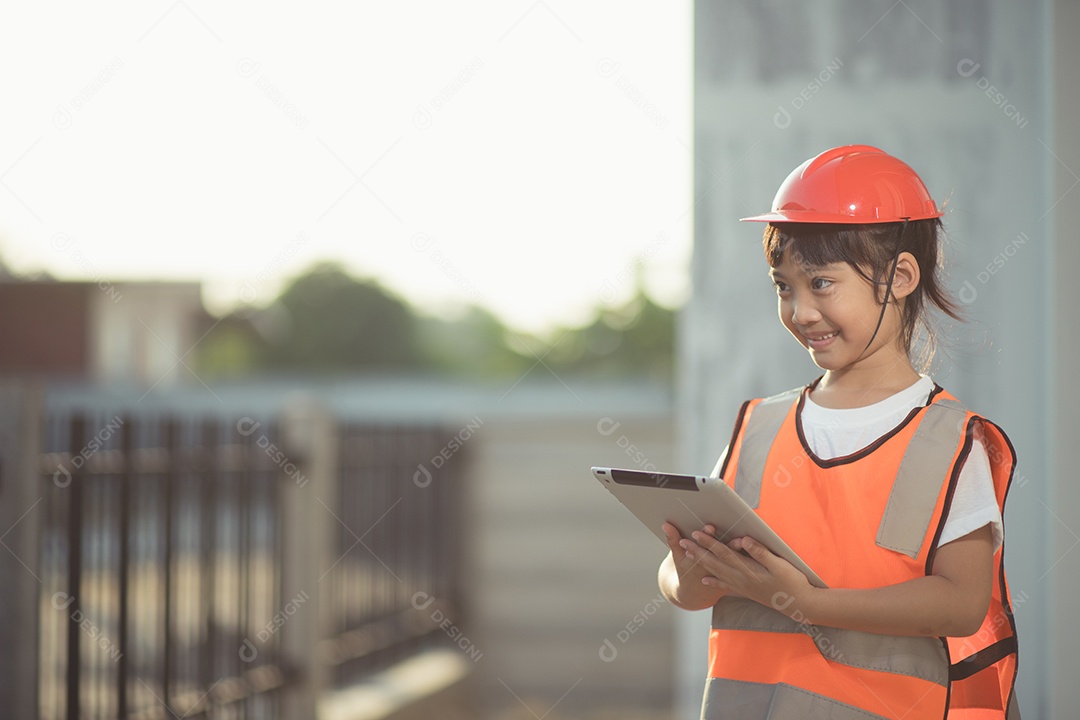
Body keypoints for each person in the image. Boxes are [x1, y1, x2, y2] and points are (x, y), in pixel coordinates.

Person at [658, 145, 1020, 719]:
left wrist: (808, 603)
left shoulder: (950, 441)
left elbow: (960, 603)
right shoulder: (758, 427)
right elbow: (683, 585)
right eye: (784, 287)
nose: (799, 311)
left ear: (900, 277)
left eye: (821, 283)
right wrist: (689, 574)